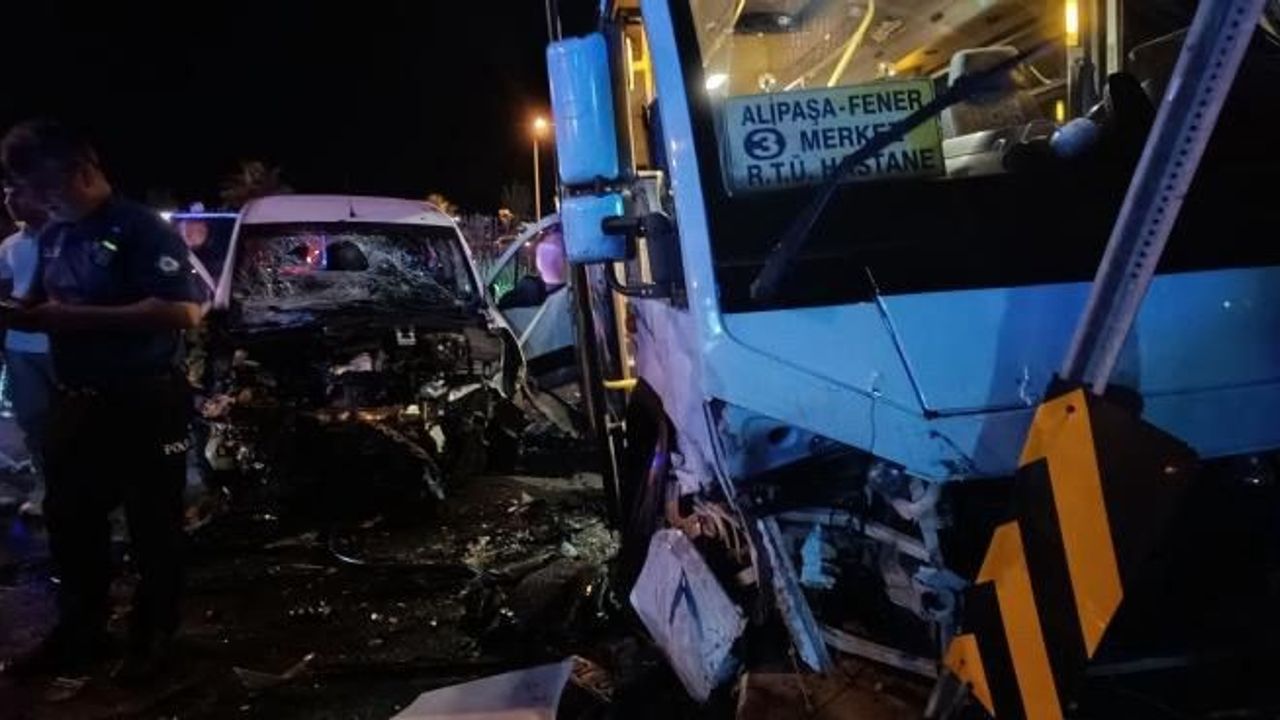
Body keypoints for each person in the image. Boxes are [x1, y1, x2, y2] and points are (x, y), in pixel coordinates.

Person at [0, 120, 205, 682]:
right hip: (79, 400)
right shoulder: (54, 234)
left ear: (83, 173)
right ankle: (82, 629)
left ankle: (154, 636)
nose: (37, 201)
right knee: (71, 520)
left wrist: (70, 319)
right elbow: (36, 301)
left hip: (144, 400)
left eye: (45, 188)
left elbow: (182, 310)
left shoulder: (139, 228)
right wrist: (19, 312)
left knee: (153, 523)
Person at [0, 183, 55, 518]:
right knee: (33, 421)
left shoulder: (67, 238)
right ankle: (44, 486)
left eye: (17, 194)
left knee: (74, 422)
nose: (10, 202)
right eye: (7, 196)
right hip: (20, 347)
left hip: (63, 345)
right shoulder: (10, 245)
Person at [497, 228, 567, 310]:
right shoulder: (527, 293)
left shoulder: (564, 297)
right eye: (545, 254)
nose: (550, 260)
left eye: (553, 254)